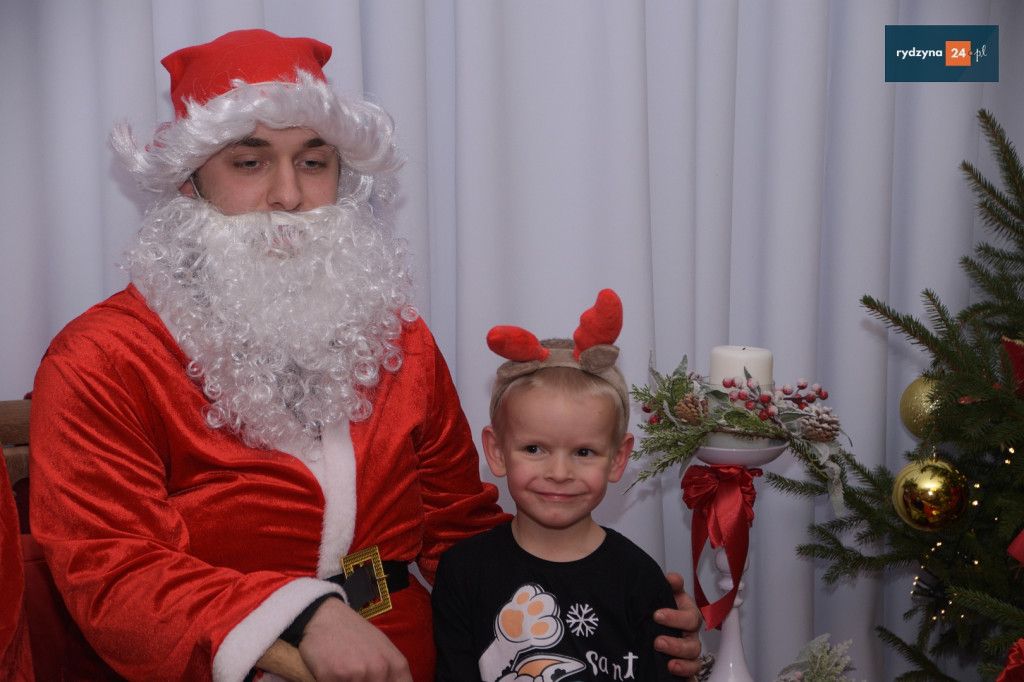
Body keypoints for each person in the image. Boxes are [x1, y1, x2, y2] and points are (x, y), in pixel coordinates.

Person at [27, 29, 702, 682]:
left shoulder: (395, 337)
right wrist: (302, 617)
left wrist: (608, 600)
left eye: (313, 162)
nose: (289, 196)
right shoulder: (102, 358)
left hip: (408, 653)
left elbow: (457, 528)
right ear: (189, 184)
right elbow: (110, 570)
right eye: (249, 162)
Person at [432, 290, 681, 681]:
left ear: (618, 459)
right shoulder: (463, 572)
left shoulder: (638, 578)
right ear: (496, 452)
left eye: (583, 452)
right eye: (534, 449)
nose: (559, 472)